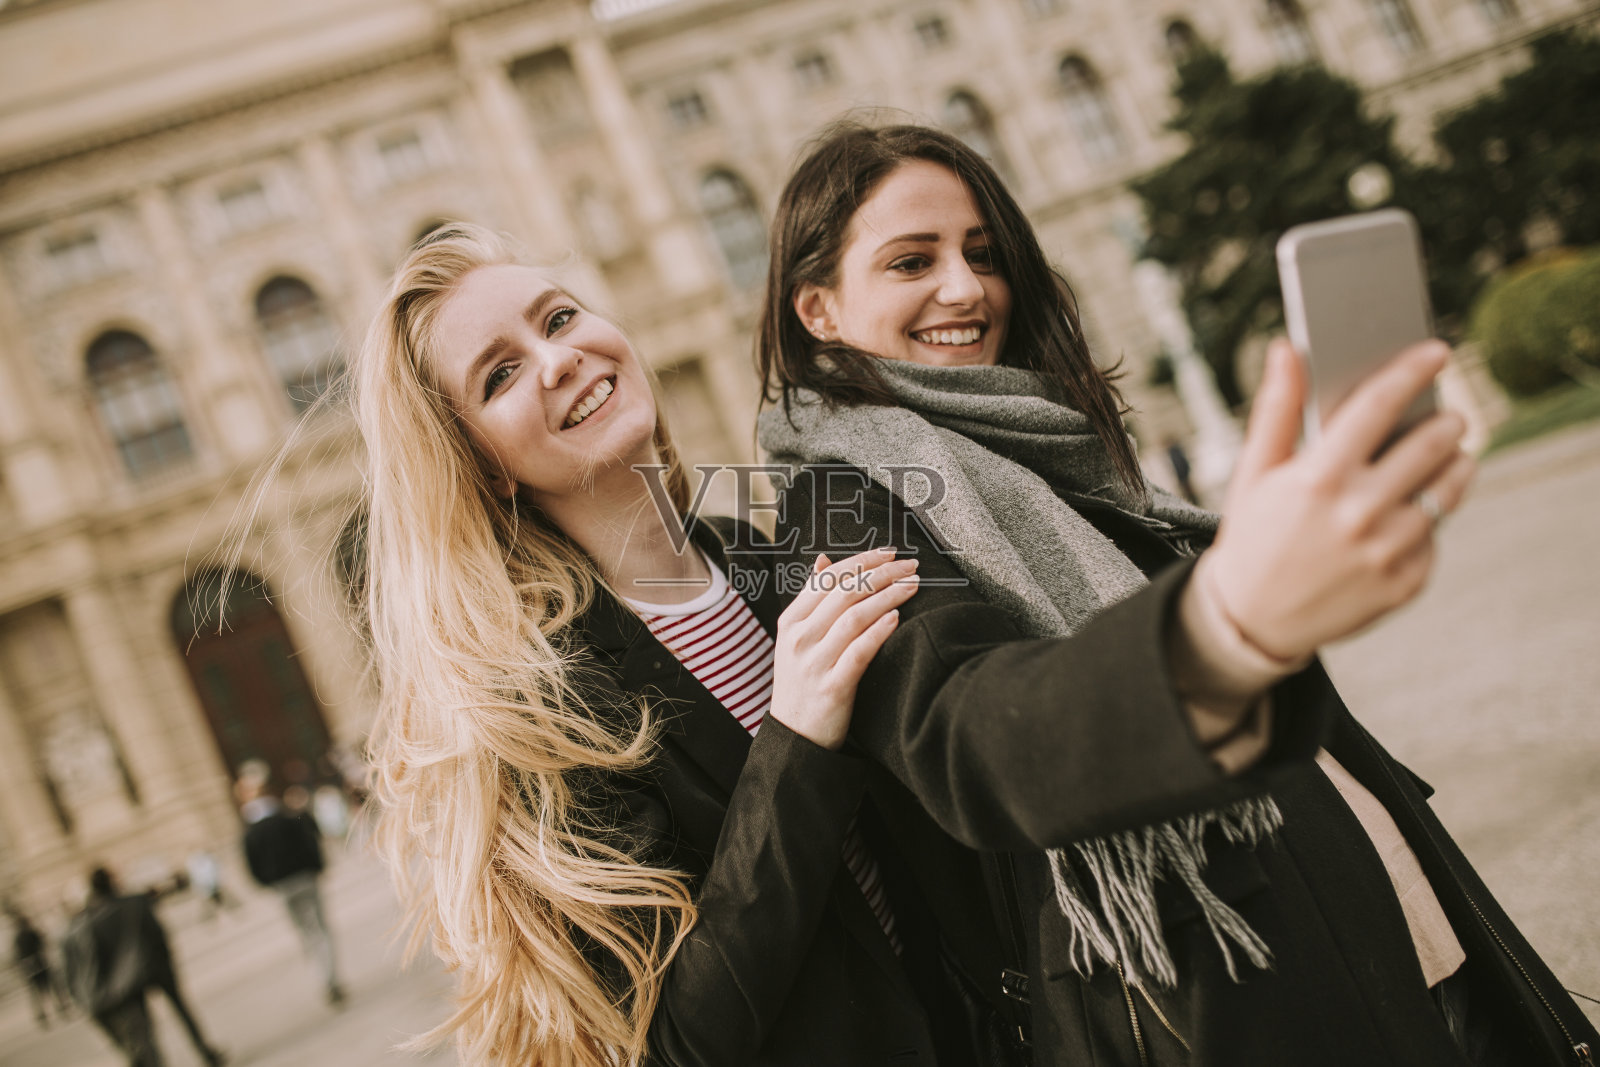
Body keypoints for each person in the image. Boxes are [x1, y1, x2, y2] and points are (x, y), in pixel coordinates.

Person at [755, 121, 1599, 1067]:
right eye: (912, 261)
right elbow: (976, 736)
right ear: (817, 309)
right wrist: (1225, 624)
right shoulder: (837, 502)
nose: (965, 287)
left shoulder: (1042, 437)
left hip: (1373, 902)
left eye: (983, 253)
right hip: (1220, 993)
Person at [345, 223, 967, 1066]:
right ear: (483, 466)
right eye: (501, 373)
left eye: (558, 318)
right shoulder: (537, 706)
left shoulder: (755, 552)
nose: (557, 358)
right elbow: (673, 1040)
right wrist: (796, 739)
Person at [62, 866, 226, 1067]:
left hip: (128, 980)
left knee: (145, 1030)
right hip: (156, 967)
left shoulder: (95, 920)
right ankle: (206, 1052)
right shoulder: (136, 902)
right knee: (183, 1012)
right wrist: (167, 958)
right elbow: (158, 932)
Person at [238, 774, 345, 1006]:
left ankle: (323, 977)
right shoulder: (287, 817)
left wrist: (269, 883)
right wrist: (317, 867)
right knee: (320, 929)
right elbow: (309, 843)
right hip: (306, 879)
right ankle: (329, 978)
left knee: (306, 932)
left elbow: (252, 866)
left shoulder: (250, 833)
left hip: (283, 887)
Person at [10, 910, 71, 1027]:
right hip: (40, 964)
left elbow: (17, 956)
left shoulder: (18, 938)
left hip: (29, 968)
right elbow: (43, 944)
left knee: (38, 993)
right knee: (51, 989)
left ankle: (42, 1016)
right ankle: (60, 1009)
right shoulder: (31, 932)